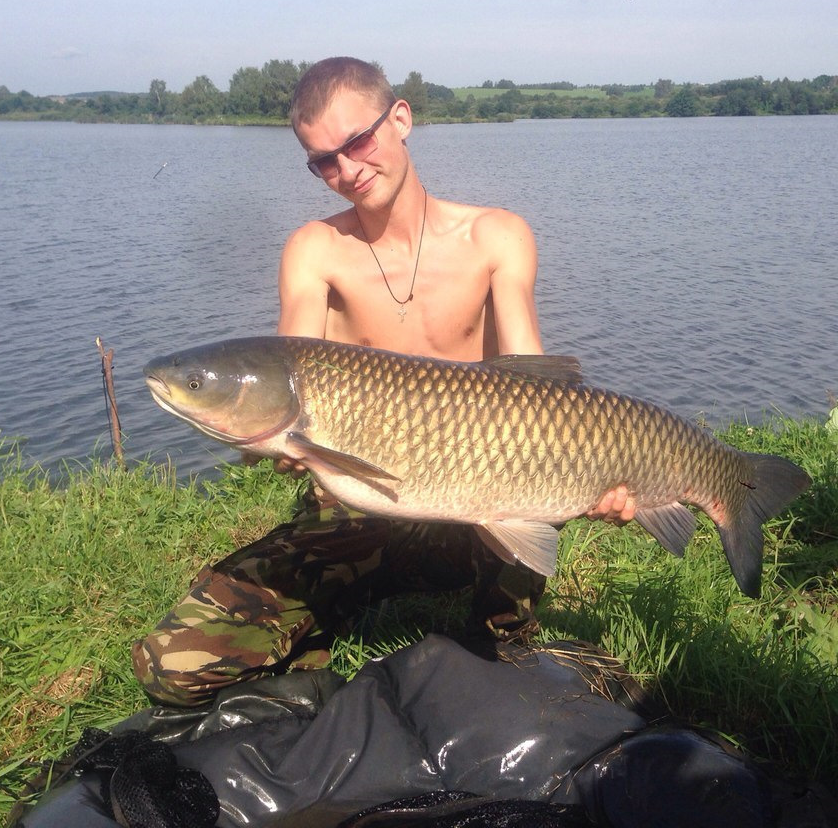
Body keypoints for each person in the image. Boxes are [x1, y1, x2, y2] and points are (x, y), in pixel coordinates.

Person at [132, 57, 637, 708]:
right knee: (172, 667)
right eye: (323, 162)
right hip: (354, 505)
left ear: (400, 119)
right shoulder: (314, 250)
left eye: (357, 142)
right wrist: (259, 437)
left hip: (485, 496)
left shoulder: (496, 237)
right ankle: (330, 644)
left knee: (509, 640)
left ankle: (502, 638)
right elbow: (284, 374)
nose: (346, 170)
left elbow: (539, 388)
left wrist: (602, 479)